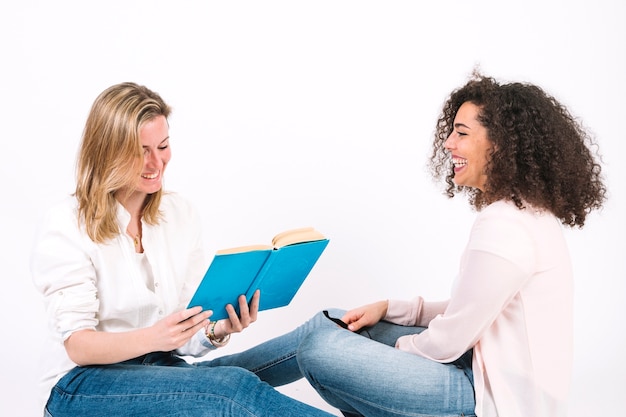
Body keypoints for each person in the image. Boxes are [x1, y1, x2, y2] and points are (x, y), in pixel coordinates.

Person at [207, 72, 607, 417]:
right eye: (451, 131)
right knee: (335, 321)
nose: (448, 143)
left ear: (500, 145)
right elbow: (474, 309)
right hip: (484, 380)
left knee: (319, 347)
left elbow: (449, 341)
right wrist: (394, 309)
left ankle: (210, 385)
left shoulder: (505, 225)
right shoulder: (528, 214)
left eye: (462, 133)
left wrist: (391, 350)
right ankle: (210, 380)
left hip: (487, 402)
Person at [31, 82, 335, 417]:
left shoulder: (179, 215)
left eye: (162, 146)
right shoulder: (67, 222)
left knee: (309, 341)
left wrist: (217, 328)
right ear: (107, 152)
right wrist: (155, 338)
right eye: (140, 150)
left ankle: (336, 333)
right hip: (82, 385)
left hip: (159, 368)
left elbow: (181, 330)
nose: (155, 163)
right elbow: (78, 345)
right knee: (233, 388)